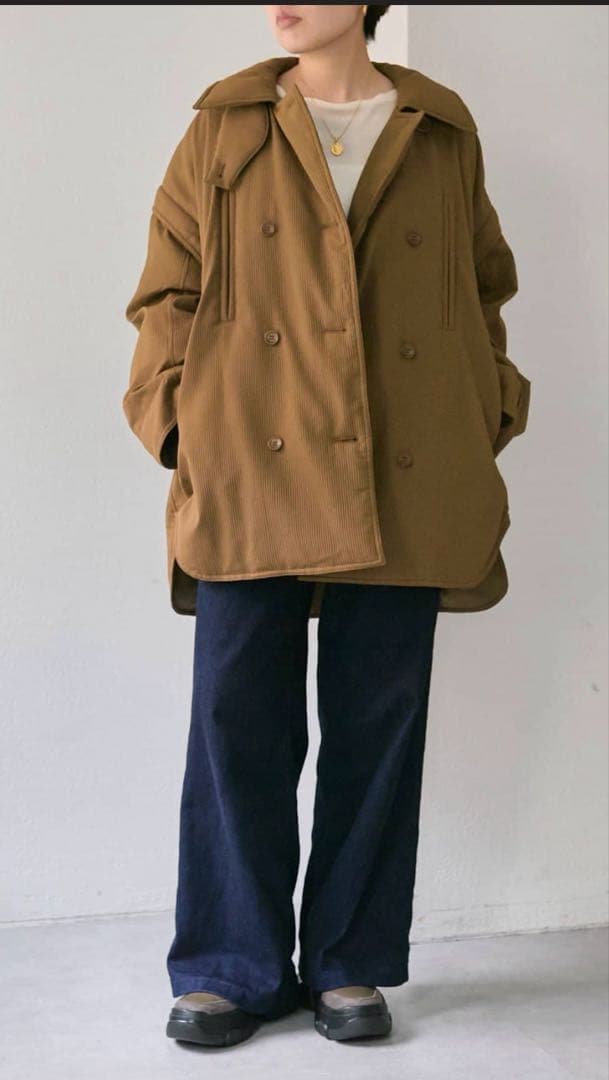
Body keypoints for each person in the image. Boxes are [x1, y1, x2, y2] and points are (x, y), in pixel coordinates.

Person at [122, 2, 531, 1049]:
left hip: (404, 462)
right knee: (237, 719)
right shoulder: (225, 126)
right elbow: (168, 290)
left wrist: (487, 405)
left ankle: (349, 959)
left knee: (377, 724)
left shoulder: (440, 132)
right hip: (250, 456)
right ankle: (231, 964)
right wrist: (179, 424)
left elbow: (481, 288)